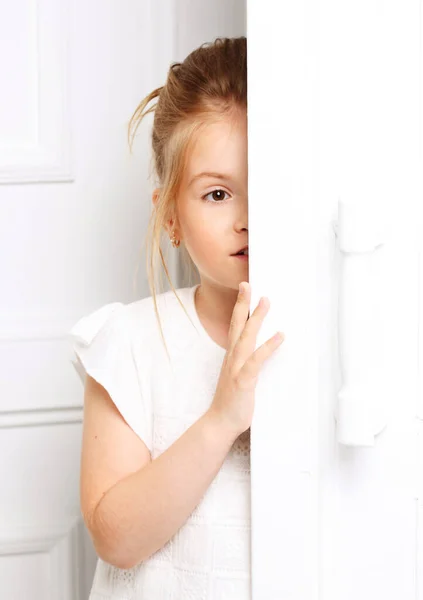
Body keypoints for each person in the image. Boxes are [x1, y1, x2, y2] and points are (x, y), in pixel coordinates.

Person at [67, 36, 285, 600]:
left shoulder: (322, 343)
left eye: (267, 187)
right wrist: (221, 419)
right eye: (217, 194)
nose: (247, 218)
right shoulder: (133, 342)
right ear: (170, 217)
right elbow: (115, 537)